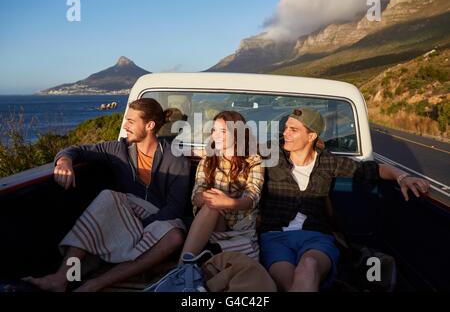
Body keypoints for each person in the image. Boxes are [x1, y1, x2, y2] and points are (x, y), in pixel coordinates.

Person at [22, 98, 191, 292]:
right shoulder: (117, 150)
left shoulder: (176, 160)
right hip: (126, 213)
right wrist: (63, 161)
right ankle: (63, 278)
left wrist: (140, 226)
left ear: (150, 125)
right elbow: (76, 150)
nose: (125, 126)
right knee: (108, 198)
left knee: (175, 237)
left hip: (159, 221)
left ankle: (96, 283)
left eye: (131, 121)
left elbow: (175, 207)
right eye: (125, 120)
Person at [259, 107, 430, 292]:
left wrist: (402, 177)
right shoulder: (271, 155)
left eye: (293, 130)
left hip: (316, 237)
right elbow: (237, 156)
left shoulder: (328, 161)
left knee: (309, 266)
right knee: (289, 281)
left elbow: (373, 169)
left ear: (311, 136)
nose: (285, 133)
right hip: (275, 237)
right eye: (285, 128)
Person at [180, 111, 264, 261]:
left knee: (215, 204)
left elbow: (253, 196)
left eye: (223, 131)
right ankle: (183, 265)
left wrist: (229, 202)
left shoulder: (253, 160)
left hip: (240, 225)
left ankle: (187, 263)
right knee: (212, 205)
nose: (216, 135)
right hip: (212, 223)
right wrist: (213, 198)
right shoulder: (208, 159)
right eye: (214, 130)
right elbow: (196, 195)